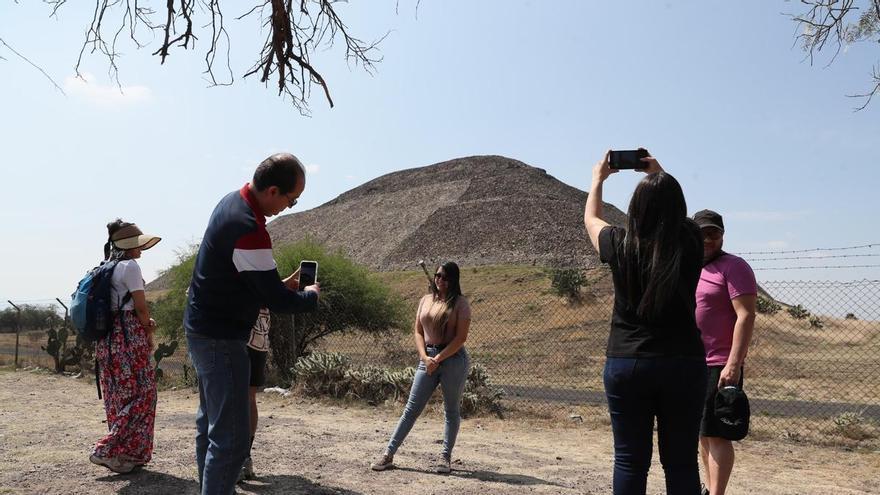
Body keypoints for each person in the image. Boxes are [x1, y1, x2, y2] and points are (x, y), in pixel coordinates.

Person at [185, 153, 320, 494]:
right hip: (221, 337)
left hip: (202, 329)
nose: (290, 206)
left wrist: (278, 286)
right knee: (231, 439)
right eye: (292, 199)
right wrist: (310, 296)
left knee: (211, 426)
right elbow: (277, 302)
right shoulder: (250, 227)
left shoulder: (230, 202)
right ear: (273, 190)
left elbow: (248, 281)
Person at [583, 150, 708, 495]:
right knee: (681, 462)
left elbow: (592, 219)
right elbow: (679, 216)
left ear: (635, 208)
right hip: (684, 363)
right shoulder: (691, 241)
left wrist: (598, 180)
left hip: (628, 364)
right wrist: (659, 175)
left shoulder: (620, 244)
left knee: (630, 461)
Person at [371, 261, 471, 474]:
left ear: (453, 279)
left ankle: (445, 457)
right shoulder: (425, 300)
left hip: (453, 359)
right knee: (411, 409)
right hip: (428, 358)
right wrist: (425, 357)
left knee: (451, 410)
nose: (439, 280)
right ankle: (388, 454)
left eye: (444, 277)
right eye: (437, 276)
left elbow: (461, 338)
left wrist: (439, 358)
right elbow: (417, 331)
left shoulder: (461, 304)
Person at [693, 209, 757, 495]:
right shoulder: (692, 266)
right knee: (703, 434)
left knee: (718, 435)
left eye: (713, 233)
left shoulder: (734, 266)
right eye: (702, 233)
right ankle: (709, 488)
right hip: (692, 362)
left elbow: (745, 316)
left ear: (722, 235)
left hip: (719, 362)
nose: (708, 239)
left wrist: (734, 364)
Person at [90, 219, 161, 474]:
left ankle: (126, 455)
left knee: (119, 397)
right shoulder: (130, 267)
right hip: (129, 335)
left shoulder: (105, 268)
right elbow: (140, 307)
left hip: (107, 340)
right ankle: (106, 448)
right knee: (145, 394)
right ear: (129, 246)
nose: (140, 249)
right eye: (137, 245)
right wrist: (148, 327)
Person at [239, 307, 271, 482]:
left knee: (239, 398)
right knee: (246, 398)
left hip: (245, 337)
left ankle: (240, 458)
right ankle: (242, 458)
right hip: (257, 336)